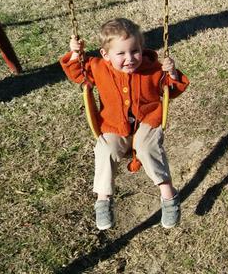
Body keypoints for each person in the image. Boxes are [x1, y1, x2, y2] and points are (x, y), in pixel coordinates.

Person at [60, 18, 189, 230]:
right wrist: (75, 53)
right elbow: (76, 72)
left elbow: (171, 90)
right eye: (120, 54)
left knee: (148, 148)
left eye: (135, 51)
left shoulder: (152, 68)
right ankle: (103, 200)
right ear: (106, 55)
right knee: (105, 149)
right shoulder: (98, 67)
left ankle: (169, 195)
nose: (129, 59)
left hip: (148, 121)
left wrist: (172, 73)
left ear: (142, 48)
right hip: (113, 124)